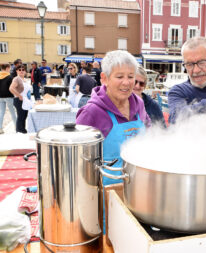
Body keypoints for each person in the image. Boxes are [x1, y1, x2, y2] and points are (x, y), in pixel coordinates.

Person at [76, 50, 150, 231]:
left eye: (130, 76)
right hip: (105, 195)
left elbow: (149, 136)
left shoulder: (138, 103)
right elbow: (78, 162)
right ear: (104, 78)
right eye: (119, 76)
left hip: (137, 191)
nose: (127, 82)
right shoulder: (91, 112)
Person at [9, 65, 33, 133]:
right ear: (17, 71)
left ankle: (23, 130)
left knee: (24, 116)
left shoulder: (25, 80)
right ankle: (19, 131)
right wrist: (19, 96)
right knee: (21, 117)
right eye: (19, 70)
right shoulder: (16, 79)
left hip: (26, 100)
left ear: (25, 71)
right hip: (19, 100)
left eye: (23, 69)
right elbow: (11, 88)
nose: (21, 71)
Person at [0, 63, 17, 134]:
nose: (10, 69)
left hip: (0, 97)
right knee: (12, 112)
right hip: (9, 96)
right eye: (9, 68)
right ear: (7, 68)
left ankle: (0, 128)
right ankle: (17, 127)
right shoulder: (10, 77)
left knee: (1, 112)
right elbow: (12, 88)